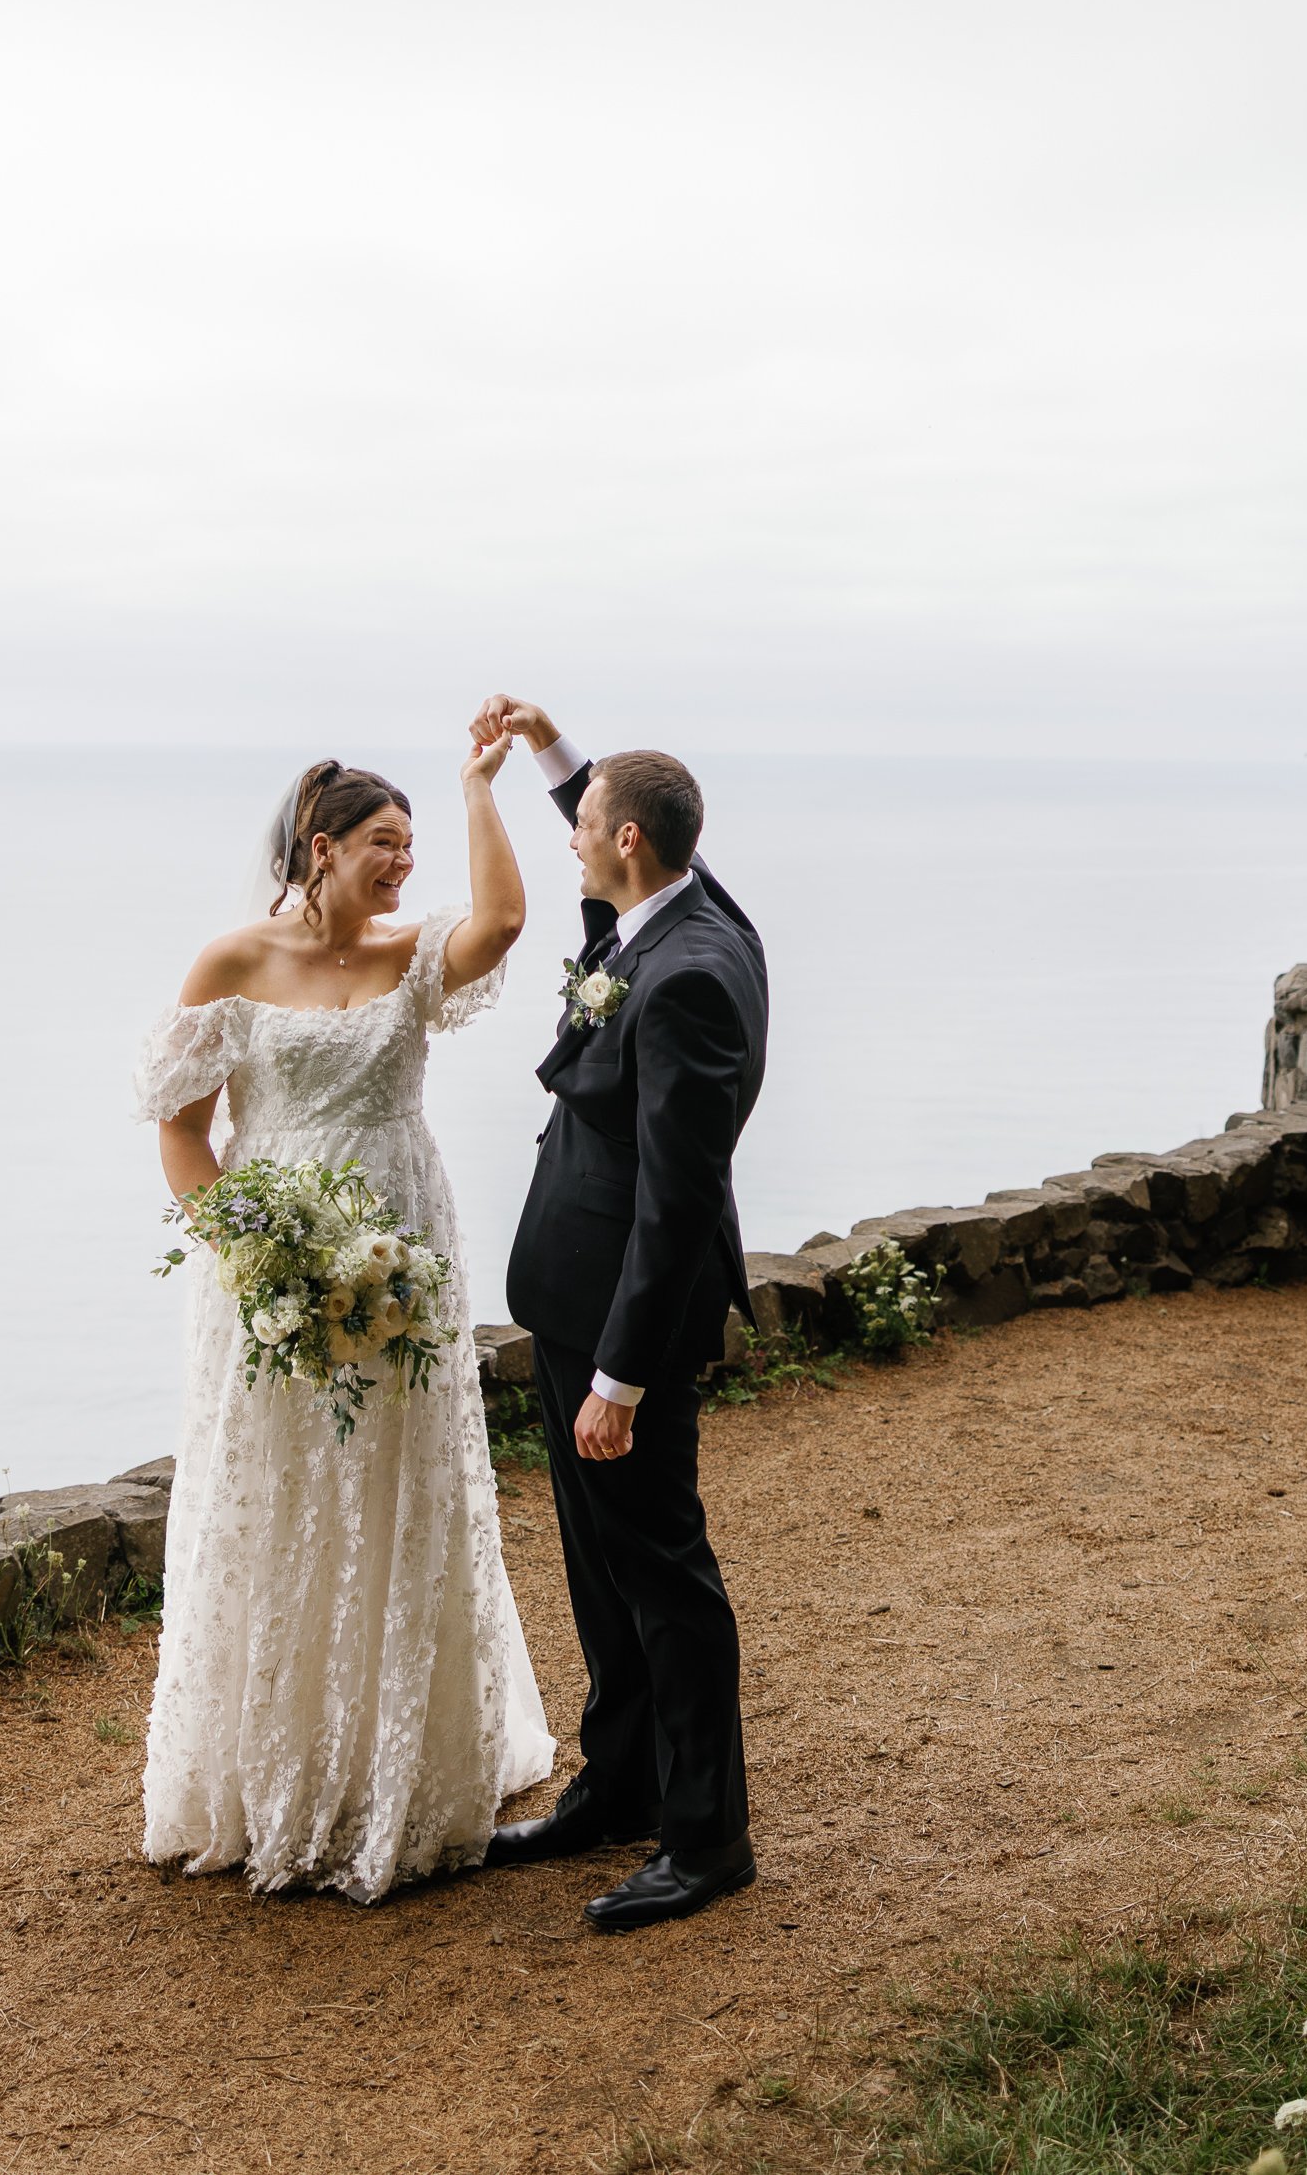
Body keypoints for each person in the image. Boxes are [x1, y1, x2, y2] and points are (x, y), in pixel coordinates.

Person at [134, 735, 555, 1902]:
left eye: (416, 847)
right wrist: (252, 1262)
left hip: (402, 1248)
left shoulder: (414, 953)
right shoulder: (232, 958)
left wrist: (477, 789)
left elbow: (508, 922)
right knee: (278, 1495)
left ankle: (399, 1763)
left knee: (394, 1487)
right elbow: (181, 1130)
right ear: (320, 850)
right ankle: (273, 1768)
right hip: (268, 1271)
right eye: (386, 844)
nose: (405, 867)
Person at [472, 694, 767, 1935]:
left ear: (628, 843)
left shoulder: (689, 976)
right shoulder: (680, 905)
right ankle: (623, 1781)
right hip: (571, 1308)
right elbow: (615, 813)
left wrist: (623, 1380)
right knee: (601, 1569)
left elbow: (678, 1199)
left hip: (619, 1331)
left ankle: (706, 1842)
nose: (572, 837)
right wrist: (553, 747)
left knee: (663, 1575)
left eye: (582, 821)